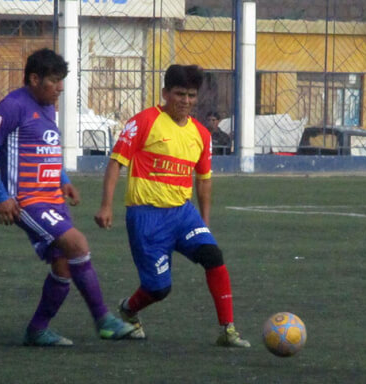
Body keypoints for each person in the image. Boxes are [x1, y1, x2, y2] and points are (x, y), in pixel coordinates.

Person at [0, 48, 137, 346]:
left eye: (61, 80)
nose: (60, 87)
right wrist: (1, 197)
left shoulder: (48, 104)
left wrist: (63, 179)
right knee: (77, 243)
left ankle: (37, 329)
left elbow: (46, 146)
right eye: (54, 80)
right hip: (26, 200)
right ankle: (104, 320)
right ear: (34, 79)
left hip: (52, 198)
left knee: (63, 265)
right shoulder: (12, 106)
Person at [95, 64, 251, 348]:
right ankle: (129, 308)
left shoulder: (201, 134)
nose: (186, 101)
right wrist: (107, 206)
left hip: (183, 214)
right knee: (159, 288)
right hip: (146, 217)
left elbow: (203, 182)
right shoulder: (144, 121)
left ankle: (228, 330)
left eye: (192, 95)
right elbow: (116, 163)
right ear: (165, 93)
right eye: (180, 94)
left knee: (213, 254)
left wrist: (203, 222)